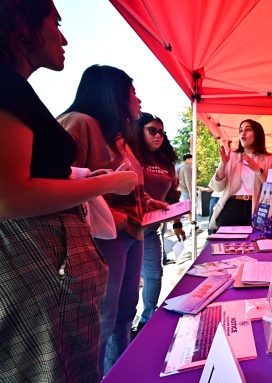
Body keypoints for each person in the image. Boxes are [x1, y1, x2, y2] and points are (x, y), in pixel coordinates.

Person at [0, 1, 137, 382]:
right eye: (56, 23)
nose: (63, 37)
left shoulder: (16, 89)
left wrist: (76, 176)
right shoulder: (8, 86)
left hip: (52, 274)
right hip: (42, 273)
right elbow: (10, 196)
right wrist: (108, 181)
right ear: (24, 26)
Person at [58, 64, 168, 375]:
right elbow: (63, 185)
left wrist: (146, 201)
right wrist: (115, 218)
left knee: (124, 313)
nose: (139, 100)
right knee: (102, 322)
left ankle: (123, 372)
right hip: (104, 239)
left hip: (133, 234)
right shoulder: (78, 124)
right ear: (114, 94)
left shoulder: (120, 137)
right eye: (133, 92)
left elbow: (124, 183)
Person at [132, 112, 186, 337]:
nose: (158, 136)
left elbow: (174, 197)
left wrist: (177, 224)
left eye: (161, 132)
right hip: (126, 229)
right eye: (151, 130)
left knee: (155, 275)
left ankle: (147, 320)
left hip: (152, 229)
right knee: (129, 282)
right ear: (139, 131)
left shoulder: (166, 163)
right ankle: (123, 327)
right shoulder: (131, 155)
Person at [209, 119, 272, 232]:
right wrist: (223, 164)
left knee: (254, 246)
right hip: (231, 207)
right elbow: (217, 187)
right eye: (240, 130)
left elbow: (271, 190)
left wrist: (257, 169)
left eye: (248, 129)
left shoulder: (269, 159)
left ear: (258, 134)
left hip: (256, 209)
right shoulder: (231, 156)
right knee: (229, 247)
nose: (243, 133)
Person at [177, 153, 195, 226]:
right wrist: (191, 194)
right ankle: (193, 226)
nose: (193, 161)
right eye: (192, 159)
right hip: (186, 191)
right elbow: (189, 182)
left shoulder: (179, 166)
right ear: (188, 159)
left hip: (180, 190)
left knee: (185, 210)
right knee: (190, 210)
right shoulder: (187, 167)